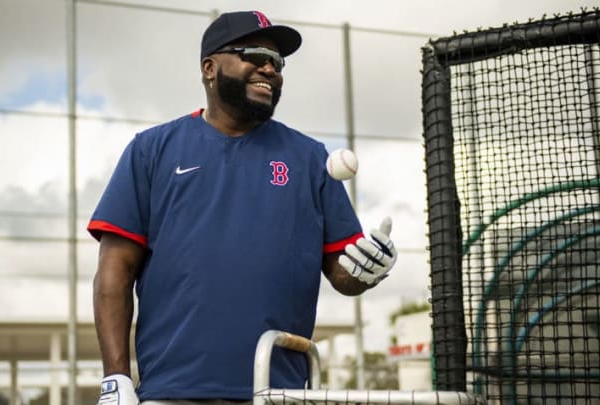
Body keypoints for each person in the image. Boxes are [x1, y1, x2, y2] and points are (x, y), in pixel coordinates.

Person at [89, 10, 398, 405]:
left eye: (278, 62)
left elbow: (343, 274)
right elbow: (115, 270)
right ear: (210, 68)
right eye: (254, 54)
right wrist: (115, 377)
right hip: (172, 391)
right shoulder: (151, 150)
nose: (270, 68)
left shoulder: (309, 158)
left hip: (279, 391)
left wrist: (368, 267)